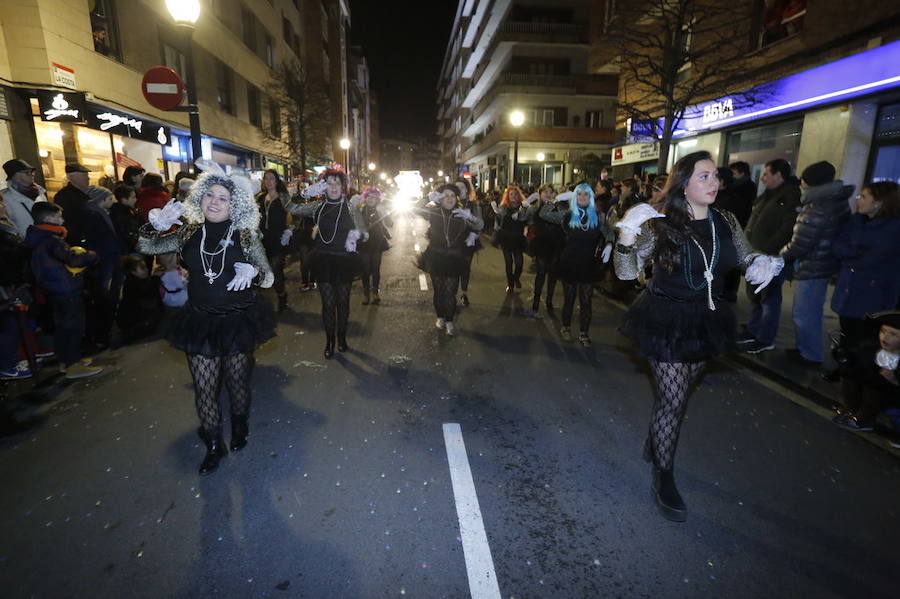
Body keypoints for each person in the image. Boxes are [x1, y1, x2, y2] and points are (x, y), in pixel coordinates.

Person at [613, 150, 783, 521]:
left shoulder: (726, 219)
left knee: (678, 393)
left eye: (715, 176)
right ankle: (664, 475)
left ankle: (657, 438)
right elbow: (626, 272)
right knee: (673, 401)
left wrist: (759, 262)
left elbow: (744, 255)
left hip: (707, 317)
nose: (714, 182)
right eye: (704, 176)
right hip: (666, 316)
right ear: (683, 183)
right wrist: (627, 235)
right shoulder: (660, 222)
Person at [137, 162, 275, 475]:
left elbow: (268, 277)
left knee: (237, 382)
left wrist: (253, 272)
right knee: (204, 388)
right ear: (200, 197)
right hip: (200, 320)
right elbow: (145, 245)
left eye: (223, 197)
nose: (214, 201)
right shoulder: (188, 232)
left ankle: (239, 424)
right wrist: (155, 225)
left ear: (234, 204)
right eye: (209, 194)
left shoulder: (245, 236)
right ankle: (213, 443)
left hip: (238, 319)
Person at [288, 167, 368, 359]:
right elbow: (292, 208)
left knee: (343, 303)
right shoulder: (318, 207)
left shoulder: (351, 208)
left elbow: (365, 233)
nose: (333, 187)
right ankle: (330, 341)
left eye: (337, 183)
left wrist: (356, 235)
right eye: (329, 183)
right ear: (323, 186)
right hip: (323, 260)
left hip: (344, 260)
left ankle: (342, 338)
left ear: (343, 187)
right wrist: (303, 193)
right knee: (328, 304)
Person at [779, 161, 852, 365]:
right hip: (823, 263)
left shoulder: (818, 207)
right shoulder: (835, 200)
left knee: (805, 313)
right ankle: (805, 348)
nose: (800, 183)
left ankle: (810, 355)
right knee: (809, 311)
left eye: (803, 179)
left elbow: (801, 243)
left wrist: (781, 255)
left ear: (811, 182)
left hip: (813, 265)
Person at [23, 202, 104, 379]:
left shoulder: (38, 238)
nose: (62, 220)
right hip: (64, 288)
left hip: (54, 288)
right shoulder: (51, 240)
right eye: (59, 216)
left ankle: (67, 361)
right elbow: (72, 260)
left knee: (63, 327)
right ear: (49, 218)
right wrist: (91, 255)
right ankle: (73, 365)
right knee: (72, 327)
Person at [830, 182, 900, 353]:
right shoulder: (856, 220)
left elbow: (875, 257)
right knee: (846, 333)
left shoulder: (893, 228)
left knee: (865, 340)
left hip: (872, 292)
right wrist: (856, 252)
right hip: (848, 288)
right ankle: (845, 362)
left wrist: (850, 255)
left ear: (878, 202)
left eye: (863, 196)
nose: (858, 200)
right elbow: (838, 246)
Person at [740, 158, 801, 354]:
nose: (763, 178)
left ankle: (765, 338)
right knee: (755, 295)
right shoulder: (768, 195)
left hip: (771, 258)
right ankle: (753, 330)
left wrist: (767, 250)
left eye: (766, 174)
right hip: (756, 255)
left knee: (769, 299)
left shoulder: (790, 196)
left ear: (779, 175)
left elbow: (786, 230)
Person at [540, 183, 613, 346]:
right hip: (570, 261)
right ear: (574, 197)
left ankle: (584, 333)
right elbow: (544, 214)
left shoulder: (598, 216)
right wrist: (554, 200)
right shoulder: (568, 214)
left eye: (586, 194)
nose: (582, 197)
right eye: (579, 194)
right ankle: (566, 328)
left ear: (590, 197)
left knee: (586, 300)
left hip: (588, 263)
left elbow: (609, 232)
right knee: (570, 298)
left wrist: (609, 244)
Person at [416, 184, 484, 336]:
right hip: (436, 256)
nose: (449, 198)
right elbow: (415, 209)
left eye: (452, 195)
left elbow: (480, 224)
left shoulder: (461, 213)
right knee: (439, 291)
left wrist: (469, 217)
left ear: (456, 198)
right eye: (445, 195)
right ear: (440, 198)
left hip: (454, 257)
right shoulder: (434, 211)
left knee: (450, 292)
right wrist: (428, 198)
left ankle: (450, 321)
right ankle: (440, 317)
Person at [832, 311, 900, 432]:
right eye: (883, 331)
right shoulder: (874, 349)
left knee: (874, 385)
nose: (885, 337)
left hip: (891, 396)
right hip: (872, 385)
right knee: (851, 376)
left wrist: (893, 378)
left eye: (893, 334)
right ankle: (851, 408)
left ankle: (865, 418)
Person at [255, 169, 293, 312]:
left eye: (271, 178)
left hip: (279, 240)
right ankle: (264, 303)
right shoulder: (260, 197)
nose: (269, 181)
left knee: (275, 269)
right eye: (266, 178)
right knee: (262, 272)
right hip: (262, 241)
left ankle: (282, 298)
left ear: (277, 181)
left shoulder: (284, 198)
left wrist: (289, 230)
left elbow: (295, 215)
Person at [526, 184, 565, 315]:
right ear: (540, 194)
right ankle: (536, 301)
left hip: (556, 243)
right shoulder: (535, 208)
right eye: (545, 192)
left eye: (550, 192)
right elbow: (524, 218)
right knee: (541, 271)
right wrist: (524, 205)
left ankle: (549, 300)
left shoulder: (558, 206)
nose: (548, 194)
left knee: (552, 273)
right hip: (542, 243)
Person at [116, 254, 164, 344]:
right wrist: (155, 279)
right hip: (132, 322)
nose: (146, 270)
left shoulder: (138, 280)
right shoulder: (131, 283)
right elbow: (147, 296)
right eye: (142, 268)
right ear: (133, 271)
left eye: (145, 267)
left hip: (135, 319)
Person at [357, 188, 392, 305]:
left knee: (376, 268)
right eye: (369, 197)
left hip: (377, 242)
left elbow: (390, 224)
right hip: (364, 243)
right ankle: (366, 293)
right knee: (365, 269)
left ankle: (375, 292)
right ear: (365, 198)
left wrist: (385, 213)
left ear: (378, 200)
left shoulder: (380, 209)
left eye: (374, 197)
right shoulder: (360, 209)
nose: (371, 199)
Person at [492, 185, 528, 293]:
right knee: (509, 262)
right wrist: (497, 213)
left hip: (518, 238)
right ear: (507, 196)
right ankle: (510, 284)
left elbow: (526, 219)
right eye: (511, 194)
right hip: (506, 238)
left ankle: (516, 278)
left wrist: (521, 213)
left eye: (515, 194)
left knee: (519, 263)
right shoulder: (503, 207)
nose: (513, 196)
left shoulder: (523, 207)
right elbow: (498, 222)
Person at [455, 177, 483, 307]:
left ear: (467, 190)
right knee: (453, 267)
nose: (460, 190)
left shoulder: (473, 205)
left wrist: (470, 219)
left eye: (462, 187)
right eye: (457, 187)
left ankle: (464, 293)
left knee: (465, 268)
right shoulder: (450, 202)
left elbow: (480, 224)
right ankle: (452, 292)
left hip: (468, 240)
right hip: (453, 240)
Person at [2, 159, 48, 238]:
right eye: (27, 172)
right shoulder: (5, 199)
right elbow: (7, 227)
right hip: (23, 243)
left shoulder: (39, 194)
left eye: (32, 171)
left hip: (45, 241)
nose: (32, 174)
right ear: (15, 176)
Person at [53, 163, 93, 246]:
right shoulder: (63, 196)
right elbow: (66, 220)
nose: (88, 178)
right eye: (84, 175)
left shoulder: (88, 193)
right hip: (77, 240)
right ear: (71, 177)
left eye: (87, 175)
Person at [109, 184, 141, 255]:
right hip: (130, 250)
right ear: (124, 200)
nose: (136, 200)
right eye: (133, 197)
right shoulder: (122, 214)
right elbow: (129, 234)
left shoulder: (129, 211)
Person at [727, 161, 755, 228]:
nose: (731, 176)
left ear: (742, 173)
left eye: (733, 173)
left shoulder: (748, 187)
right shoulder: (734, 185)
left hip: (739, 221)